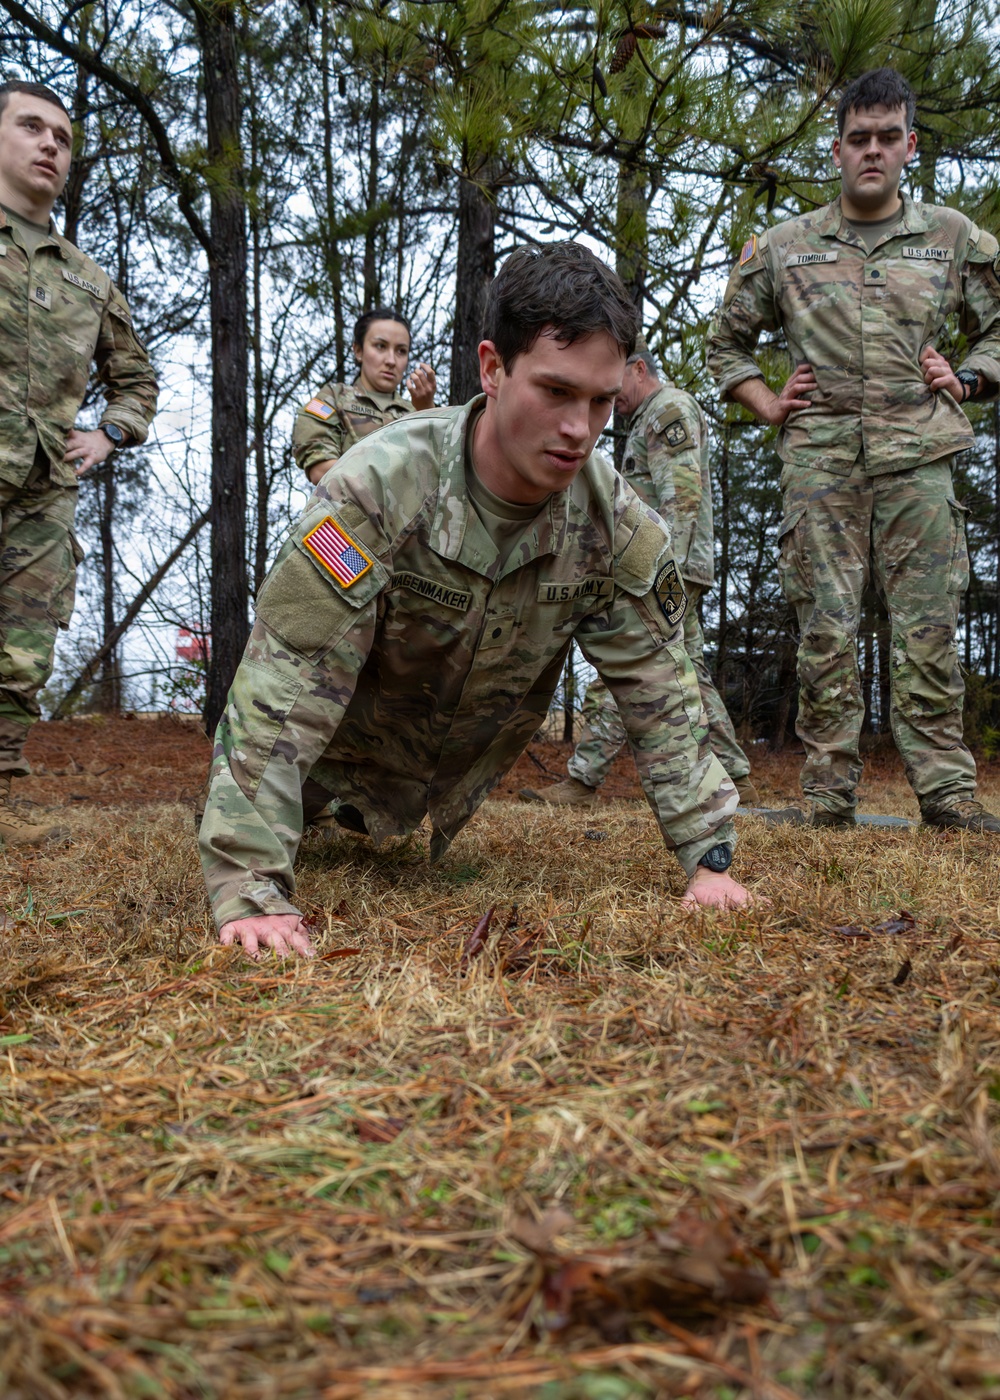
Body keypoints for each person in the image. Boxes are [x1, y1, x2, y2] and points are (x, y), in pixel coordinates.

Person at [199, 242, 761, 960]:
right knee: (290, 798)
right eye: (555, 391)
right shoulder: (379, 489)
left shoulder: (615, 526)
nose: (580, 428)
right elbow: (285, 676)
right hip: (324, 759)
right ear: (492, 369)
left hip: (443, 773)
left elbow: (661, 689)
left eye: (600, 401)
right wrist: (251, 886)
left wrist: (709, 861)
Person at [707, 66, 1000, 832]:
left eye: (887, 137)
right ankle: (827, 799)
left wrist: (968, 376)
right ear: (836, 149)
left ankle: (948, 798)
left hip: (918, 459)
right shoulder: (784, 247)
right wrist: (769, 403)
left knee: (928, 628)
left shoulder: (951, 238)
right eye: (858, 138)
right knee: (826, 632)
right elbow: (725, 343)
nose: (873, 150)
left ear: (910, 146)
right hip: (821, 465)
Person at [0, 81, 157, 844]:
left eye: (62, 138)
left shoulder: (88, 280)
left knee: (21, 652)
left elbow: (137, 379)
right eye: (32, 127)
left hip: (42, 491)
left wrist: (109, 435)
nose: (50, 145)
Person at [520, 339, 759, 809]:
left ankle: (583, 781)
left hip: (662, 567)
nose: (612, 396)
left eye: (615, 383)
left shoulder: (666, 410)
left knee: (626, 662)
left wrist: (663, 570)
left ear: (639, 369)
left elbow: (682, 498)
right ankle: (737, 776)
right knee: (691, 671)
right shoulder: (651, 416)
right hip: (665, 565)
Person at [292, 308, 436, 487]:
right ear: (358, 351)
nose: (391, 361)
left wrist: (427, 412)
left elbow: (443, 474)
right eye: (380, 346)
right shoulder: (333, 399)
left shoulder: (420, 411)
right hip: (348, 506)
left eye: (401, 351)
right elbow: (321, 469)